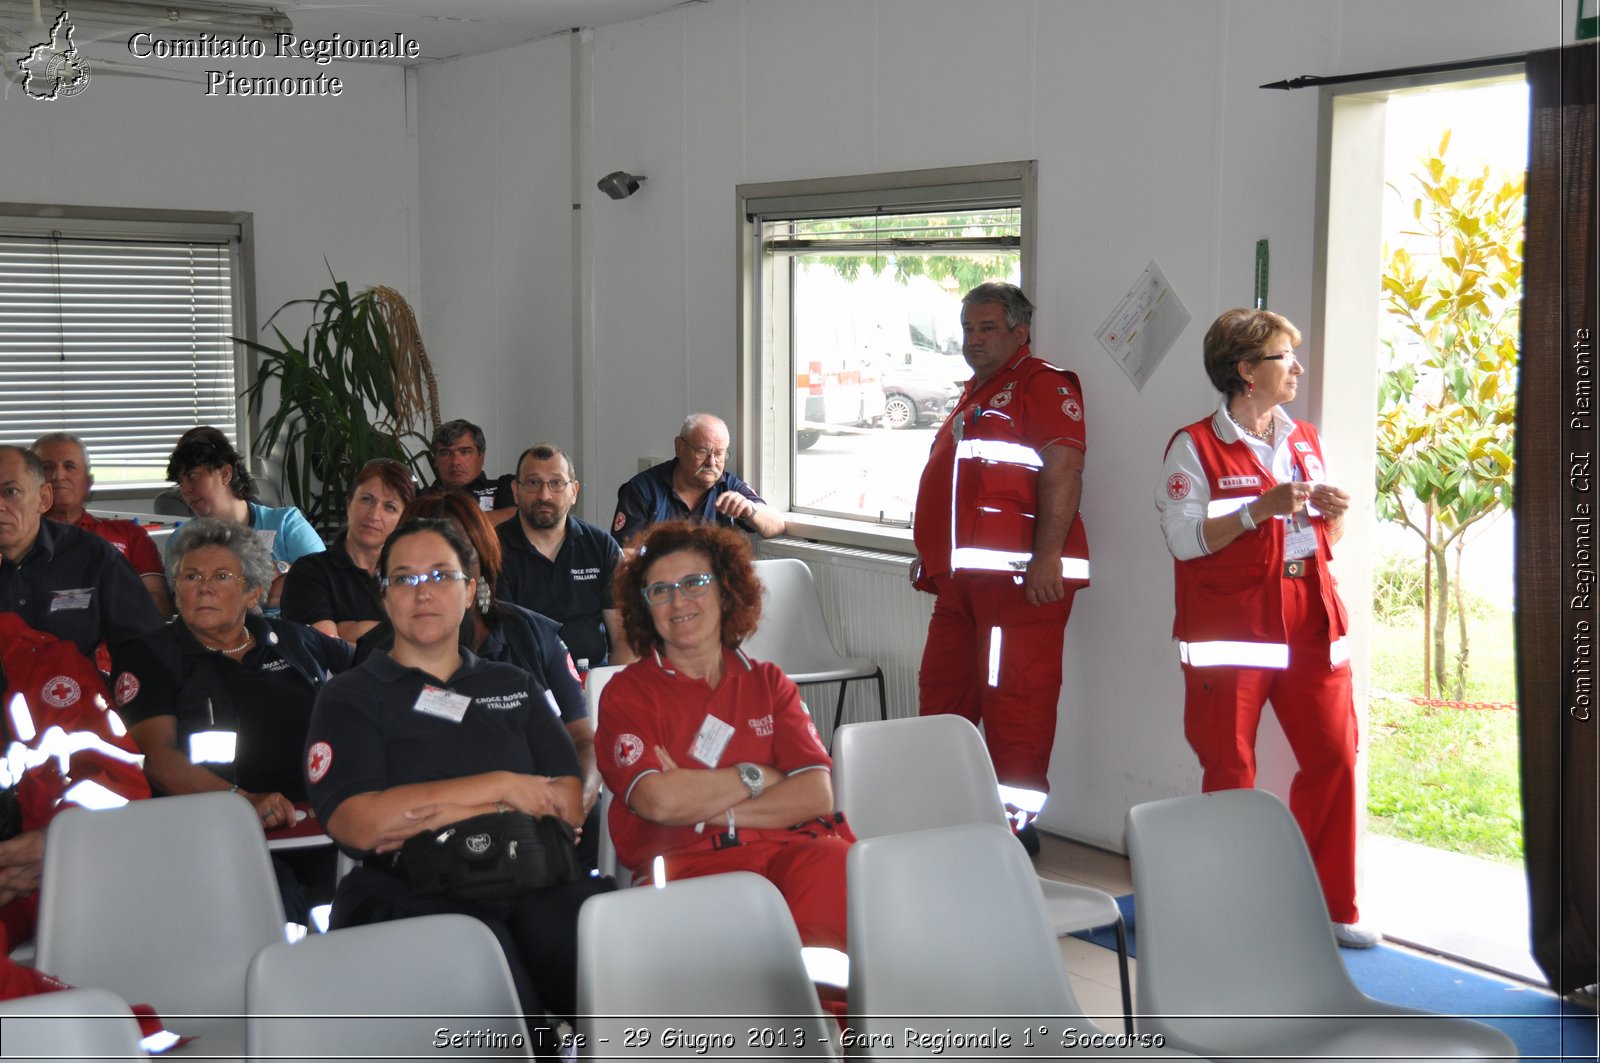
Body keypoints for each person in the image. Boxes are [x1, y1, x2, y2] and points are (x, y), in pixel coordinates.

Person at [304, 519, 609, 1053]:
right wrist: (506, 787)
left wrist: (435, 807)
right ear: (385, 596)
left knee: (610, 961)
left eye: (442, 575)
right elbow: (360, 824)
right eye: (404, 578)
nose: (423, 592)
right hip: (411, 890)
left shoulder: (512, 685)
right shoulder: (350, 696)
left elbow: (567, 804)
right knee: (485, 971)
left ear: (471, 590)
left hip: (531, 872)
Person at [1154, 307, 1373, 949]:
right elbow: (1183, 540)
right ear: (1246, 371)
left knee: (1334, 758)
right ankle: (1229, 911)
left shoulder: (1304, 437)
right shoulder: (1192, 446)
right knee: (1230, 771)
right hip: (1234, 631)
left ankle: (1331, 907)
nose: (1297, 368)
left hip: (1310, 624)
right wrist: (1257, 510)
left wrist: (1335, 516)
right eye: (1285, 357)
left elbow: (1320, 536)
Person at [597, 520, 851, 952]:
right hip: (691, 865)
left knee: (837, 865)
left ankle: (822, 1016)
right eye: (659, 590)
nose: (678, 601)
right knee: (753, 960)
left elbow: (815, 795)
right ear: (645, 607)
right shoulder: (627, 693)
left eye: (694, 582)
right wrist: (759, 775)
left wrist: (706, 807)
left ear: (724, 590)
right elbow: (658, 801)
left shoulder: (769, 683)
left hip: (792, 852)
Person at [909, 283, 1090, 850]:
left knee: (1016, 706)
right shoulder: (975, 394)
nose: (974, 339)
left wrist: (1048, 557)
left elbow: (1064, 471)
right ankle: (946, 816)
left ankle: (1015, 831)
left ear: (1019, 331)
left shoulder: (1042, 385)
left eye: (987, 328)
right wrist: (933, 559)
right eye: (967, 328)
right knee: (942, 696)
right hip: (960, 586)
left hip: (1021, 586)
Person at [111, 517, 353, 924]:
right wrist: (243, 803)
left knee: (368, 902)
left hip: (322, 824)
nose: (203, 586)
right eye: (190, 576)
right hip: (217, 833)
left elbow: (372, 672)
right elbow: (159, 761)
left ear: (252, 592)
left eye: (221, 576)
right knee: (280, 910)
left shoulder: (295, 640)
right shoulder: (150, 656)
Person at [356, 490, 603, 867]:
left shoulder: (533, 634)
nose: (439, 572)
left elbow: (584, 740)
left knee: (596, 825)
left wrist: (575, 807)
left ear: (480, 563)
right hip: (433, 832)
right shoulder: (378, 654)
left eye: (456, 553)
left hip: (543, 821)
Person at [0, 445, 164, 661]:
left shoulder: (93, 556)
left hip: (73, 689)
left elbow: (144, 647)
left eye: (10, 492)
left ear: (44, 498)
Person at [497, 443, 633, 672]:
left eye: (556, 483)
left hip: (591, 679)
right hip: (525, 683)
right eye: (533, 482)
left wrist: (611, 692)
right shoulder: (493, 549)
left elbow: (625, 637)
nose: (544, 495)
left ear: (574, 492)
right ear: (515, 491)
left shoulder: (600, 546)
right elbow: (498, 641)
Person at [165, 427, 325, 608]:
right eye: (180, 482)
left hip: (291, 631)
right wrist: (280, 574)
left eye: (193, 476)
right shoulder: (181, 540)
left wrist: (230, 592)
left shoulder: (286, 524)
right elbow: (190, 603)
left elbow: (323, 584)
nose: (185, 490)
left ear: (226, 474)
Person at [31, 432, 173, 618]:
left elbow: (159, 606)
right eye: (47, 467)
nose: (58, 475)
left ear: (88, 483)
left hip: (117, 643)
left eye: (70, 466)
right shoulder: (14, 540)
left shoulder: (129, 534)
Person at [281, 458, 417, 642]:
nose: (374, 515)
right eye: (367, 500)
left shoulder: (412, 574)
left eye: (389, 507)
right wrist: (404, 632)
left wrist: (352, 631)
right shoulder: (311, 571)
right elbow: (326, 648)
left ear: (404, 519)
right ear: (348, 504)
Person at [610, 414, 785, 547]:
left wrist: (750, 510)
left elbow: (776, 526)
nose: (711, 462)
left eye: (719, 454)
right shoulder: (642, 490)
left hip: (714, 585)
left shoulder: (728, 486)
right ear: (679, 447)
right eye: (702, 452)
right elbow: (626, 555)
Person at [419, 419, 516, 525]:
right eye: (446, 453)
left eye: (465, 452)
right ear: (435, 460)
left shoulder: (503, 486)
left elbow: (516, 517)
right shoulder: (421, 497)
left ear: (481, 457)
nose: (455, 461)